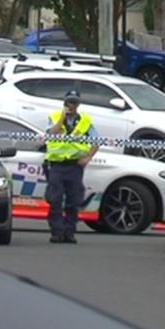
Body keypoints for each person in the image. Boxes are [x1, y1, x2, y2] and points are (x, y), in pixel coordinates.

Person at [44, 90, 99, 244]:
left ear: (78, 104)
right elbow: (52, 134)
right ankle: (56, 232)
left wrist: (87, 158)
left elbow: (96, 141)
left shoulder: (85, 121)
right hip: (57, 166)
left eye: (74, 102)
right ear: (65, 103)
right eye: (69, 102)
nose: (72, 105)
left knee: (73, 201)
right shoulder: (54, 117)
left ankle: (69, 232)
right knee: (55, 200)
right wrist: (62, 117)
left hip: (75, 166)